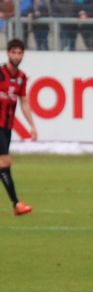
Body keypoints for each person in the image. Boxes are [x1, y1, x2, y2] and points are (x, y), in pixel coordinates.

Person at [0, 39, 37, 216]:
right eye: (13, 52)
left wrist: (32, 125)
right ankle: (16, 204)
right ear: (8, 53)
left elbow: (23, 101)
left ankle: (16, 205)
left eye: (19, 53)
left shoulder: (21, 78)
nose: (16, 56)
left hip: (7, 127)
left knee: (4, 166)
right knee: (5, 162)